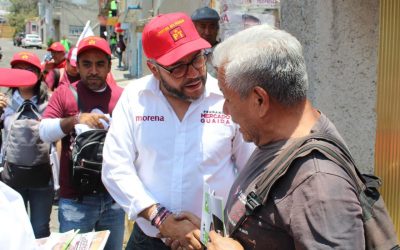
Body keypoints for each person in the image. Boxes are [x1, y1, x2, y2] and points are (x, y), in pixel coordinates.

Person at [178, 24, 365, 250]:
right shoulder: (277, 137)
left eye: (227, 98)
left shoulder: (318, 185)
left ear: (259, 100)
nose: (226, 111)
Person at [101, 12, 255, 250]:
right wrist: (159, 218)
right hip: (149, 241)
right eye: (177, 68)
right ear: (154, 69)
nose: (193, 73)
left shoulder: (226, 97)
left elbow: (251, 171)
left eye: (197, 59)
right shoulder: (135, 98)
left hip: (214, 241)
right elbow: (115, 167)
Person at [39, 36, 125, 250]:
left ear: (109, 66)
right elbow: (43, 131)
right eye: (87, 64)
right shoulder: (65, 93)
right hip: (75, 201)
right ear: (78, 66)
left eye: (99, 64)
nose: (93, 70)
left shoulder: (123, 97)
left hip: (114, 199)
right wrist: (76, 119)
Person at [0, 51, 53, 239]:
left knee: (40, 230)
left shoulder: (50, 102)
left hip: (42, 176)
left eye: (29, 70)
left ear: (39, 74)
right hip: (11, 177)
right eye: (18, 69)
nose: (23, 74)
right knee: (15, 230)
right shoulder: (4, 102)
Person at [191, 6, 220, 77]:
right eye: (202, 26)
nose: (207, 32)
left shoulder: (224, 52)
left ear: (217, 28)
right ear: (194, 28)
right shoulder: (189, 53)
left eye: (212, 26)